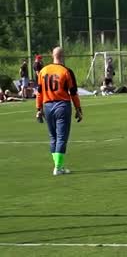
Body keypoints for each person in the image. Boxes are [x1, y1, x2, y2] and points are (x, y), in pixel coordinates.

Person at [36, 47, 83, 176]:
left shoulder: (43, 71)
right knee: (62, 137)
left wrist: (38, 109)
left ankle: (58, 165)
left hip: (47, 105)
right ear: (63, 56)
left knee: (53, 137)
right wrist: (78, 109)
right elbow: (73, 93)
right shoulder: (66, 71)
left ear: (52, 55)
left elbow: (39, 93)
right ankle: (58, 167)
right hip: (62, 105)